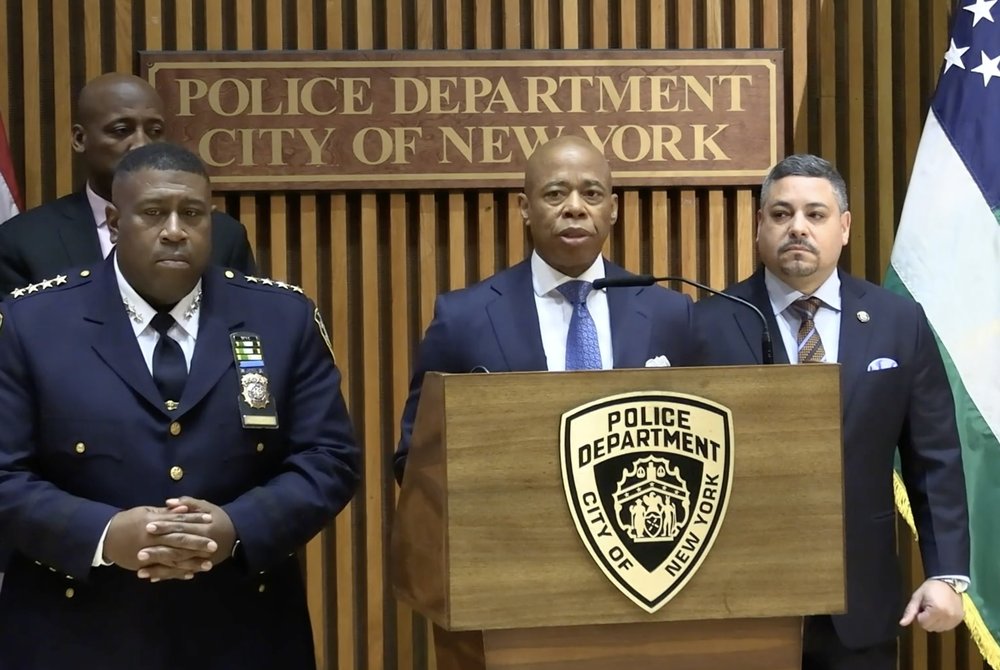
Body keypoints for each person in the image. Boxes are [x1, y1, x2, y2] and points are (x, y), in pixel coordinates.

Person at [0, 142, 358, 669]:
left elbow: (329, 458)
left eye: (192, 213)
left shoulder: (280, 319)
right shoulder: (34, 324)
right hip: (75, 632)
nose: (174, 229)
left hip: (244, 630)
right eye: (153, 213)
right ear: (117, 223)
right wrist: (102, 534)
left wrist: (238, 525)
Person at [694, 154, 969, 670]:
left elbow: (934, 459)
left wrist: (947, 574)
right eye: (780, 214)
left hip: (859, 604)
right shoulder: (705, 326)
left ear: (843, 228)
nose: (797, 227)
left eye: (815, 215)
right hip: (738, 601)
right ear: (759, 225)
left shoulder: (898, 323)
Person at [393, 135, 699, 482]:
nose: (574, 207)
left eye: (592, 194)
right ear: (525, 207)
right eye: (555, 194)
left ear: (612, 209)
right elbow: (416, 457)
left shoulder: (670, 314)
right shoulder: (464, 318)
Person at [0, 73, 255, 297]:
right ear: (80, 139)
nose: (141, 144)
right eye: (122, 130)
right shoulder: (23, 241)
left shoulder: (223, 235)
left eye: (155, 131)